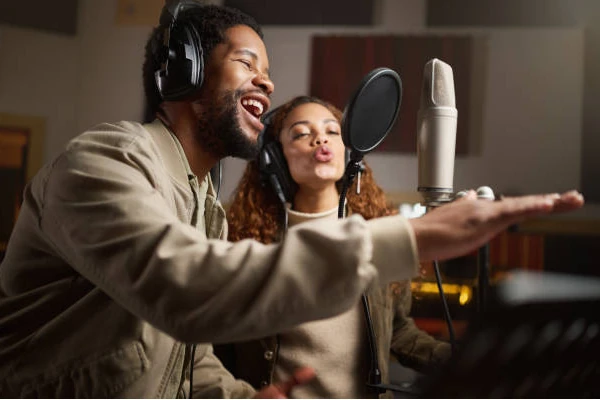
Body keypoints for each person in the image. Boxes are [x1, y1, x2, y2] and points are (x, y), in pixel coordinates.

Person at [0, 0, 584, 398]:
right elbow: (184, 287)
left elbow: (188, 356)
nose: (268, 82)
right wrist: (416, 236)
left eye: (269, 69)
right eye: (246, 62)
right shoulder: (105, 161)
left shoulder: (200, 200)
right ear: (187, 72)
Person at [217, 95, 452, 398]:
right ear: (274, 158)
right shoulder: (243, 243)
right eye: (301, 133)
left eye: (332, 131)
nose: (320, 140)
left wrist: (463, 361)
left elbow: (398, 331)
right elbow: (217, 348)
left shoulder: (379, 236)